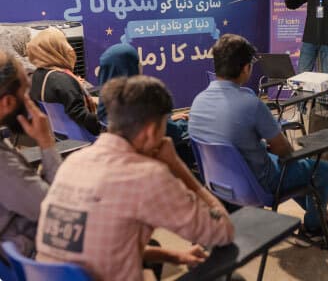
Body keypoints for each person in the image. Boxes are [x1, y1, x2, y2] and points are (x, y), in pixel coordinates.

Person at [36, 75, 234, 281]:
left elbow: (89, 252)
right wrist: (178, 167)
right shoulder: (146, 175)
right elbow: (222, 232)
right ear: (150, 132)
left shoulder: (74, 161)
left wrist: (173, 256)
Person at [189, 34, 328, 241]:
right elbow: (285, 152)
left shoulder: (197, 102)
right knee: (320, 170)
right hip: (257, 186)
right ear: (246, 68)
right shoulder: (251, 103)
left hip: (218, 185)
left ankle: (321, 215)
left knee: (299, 173)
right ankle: (315, 225)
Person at [0, 50, 60, 256]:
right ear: (7, 102)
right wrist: (46, 143)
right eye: (25, 93)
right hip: (37, 257)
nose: (29, 100)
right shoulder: (4, 166)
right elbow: (57, 210)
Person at [27, 27, 100, 136]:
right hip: (84, 137)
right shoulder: (62, 80)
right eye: (64, 42)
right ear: (56, 49)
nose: (70, 48)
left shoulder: (37, 75)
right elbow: (82, 117)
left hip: (61, 136)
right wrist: (108, 118)